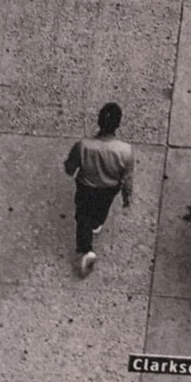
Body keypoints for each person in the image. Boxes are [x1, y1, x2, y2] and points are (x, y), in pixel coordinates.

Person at [66, 103, 134, 276]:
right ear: (118, 124)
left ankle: (87, 249)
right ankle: (97, 223)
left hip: (86, 187)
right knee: (102, 208)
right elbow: (127, 179)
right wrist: (127, 198)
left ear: (98, 120)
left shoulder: (83, 145)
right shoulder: (125, 151)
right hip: (109, 189)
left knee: (82, 216)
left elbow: (70, 169)